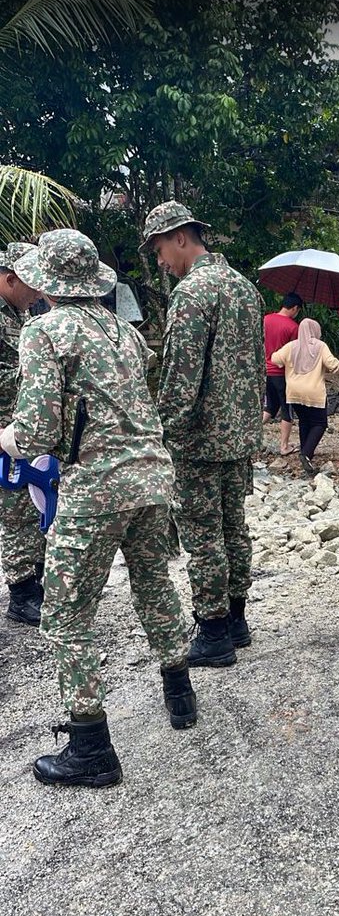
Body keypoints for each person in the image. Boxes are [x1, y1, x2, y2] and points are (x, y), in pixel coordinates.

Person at [0, 229, 196, 788]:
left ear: (47, 279)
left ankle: (90, 747)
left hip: (98, 488)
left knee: (65, 615)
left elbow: (36, 431)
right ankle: (180, 692)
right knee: (153, 582)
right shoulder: (122, 330)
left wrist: (6, 438)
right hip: (152, 476)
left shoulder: (44, 330)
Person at [141, 201, 265, 667]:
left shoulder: (192, 294)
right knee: (234, 528)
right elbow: (256, 365)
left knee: (204, 536)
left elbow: (180, 379)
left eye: (159, 250)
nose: (160, 261)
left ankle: (213, 633)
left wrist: (159, 437)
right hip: (239, 437)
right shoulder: (244, 288)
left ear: (180, 237)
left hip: (199, 441)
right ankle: (236, 620)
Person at [0, 242, 45, 625]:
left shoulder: (21, 312)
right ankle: (22, 592)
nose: (40, 293)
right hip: (3, 431)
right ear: (11, 279)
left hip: (23, 427)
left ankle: (36, 581)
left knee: (36, 503)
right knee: (15, 511)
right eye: (34, 284)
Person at [271, 318, 339, 475]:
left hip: (294, 392)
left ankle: (306, 452)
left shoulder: (291, 346)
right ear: (315, 330)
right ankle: (306, 453)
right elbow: (332, 364)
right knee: (320, 423)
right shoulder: (320, 346)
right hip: (313, 391)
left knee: (304, 421)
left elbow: (275, 358)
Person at [262, 292, 302, 456]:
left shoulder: (265, 319)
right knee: (287, 409)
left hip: (265, 371)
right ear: (295, 308)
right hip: (281, 373)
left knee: (270, 406)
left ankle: (249, 436)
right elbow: (294, 353)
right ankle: (284, 446)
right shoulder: (293, 327)